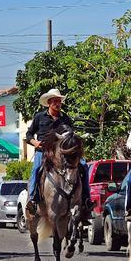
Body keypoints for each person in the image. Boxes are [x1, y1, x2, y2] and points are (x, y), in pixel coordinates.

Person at [25, 88, 93, 224]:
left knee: (84, 166)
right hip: (43, 151)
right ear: (49, 103)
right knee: (36, 169)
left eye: (59, 101)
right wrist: (35, 142)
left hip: (62, 153)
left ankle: (86, 200)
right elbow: (29, 135)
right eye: (55, 101)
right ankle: (32, 199)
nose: (58, 103)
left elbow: (70, 136)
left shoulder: (66, 119)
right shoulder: (39, 117)